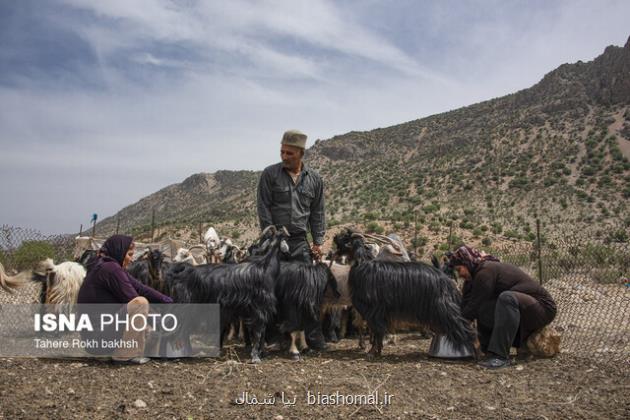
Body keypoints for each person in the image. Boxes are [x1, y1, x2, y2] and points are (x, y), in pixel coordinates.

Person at [257, 129, 327, 350]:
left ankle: (311, 340)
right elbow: (263, 208)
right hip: (275, 241)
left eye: (289, 153)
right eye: (282, 152)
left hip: (300, 242)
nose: (284, 156)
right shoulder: (269, 174)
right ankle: (275, 338)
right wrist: (270, 237)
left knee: (307, 291)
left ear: (301, 154)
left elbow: (317, 213)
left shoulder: (314, 180)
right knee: (272, 289)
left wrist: (318, 241)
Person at [449, 245, 557, 369]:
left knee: (506, 298)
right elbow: (466, 306)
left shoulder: (486, 271)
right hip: (521, 309)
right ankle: (489, 350)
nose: (459, 274)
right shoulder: (472, 279)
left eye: (459, 269)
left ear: (467, 262)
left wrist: (454, 325)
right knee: (485, 308)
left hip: (543, 308)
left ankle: (500, 356)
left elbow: (473, 306)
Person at [77, 234, 173, 364]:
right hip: (99, 337)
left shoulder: (104, 266)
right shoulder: (111, 269)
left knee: (149, 330)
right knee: (140, 303)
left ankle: (134, 353)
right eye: (129, 254)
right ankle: (124, 355)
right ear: (119, 251)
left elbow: (141, 288)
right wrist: (161, 322)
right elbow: (134, 297)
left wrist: (167, 300)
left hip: (96, 337)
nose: (131, 259)